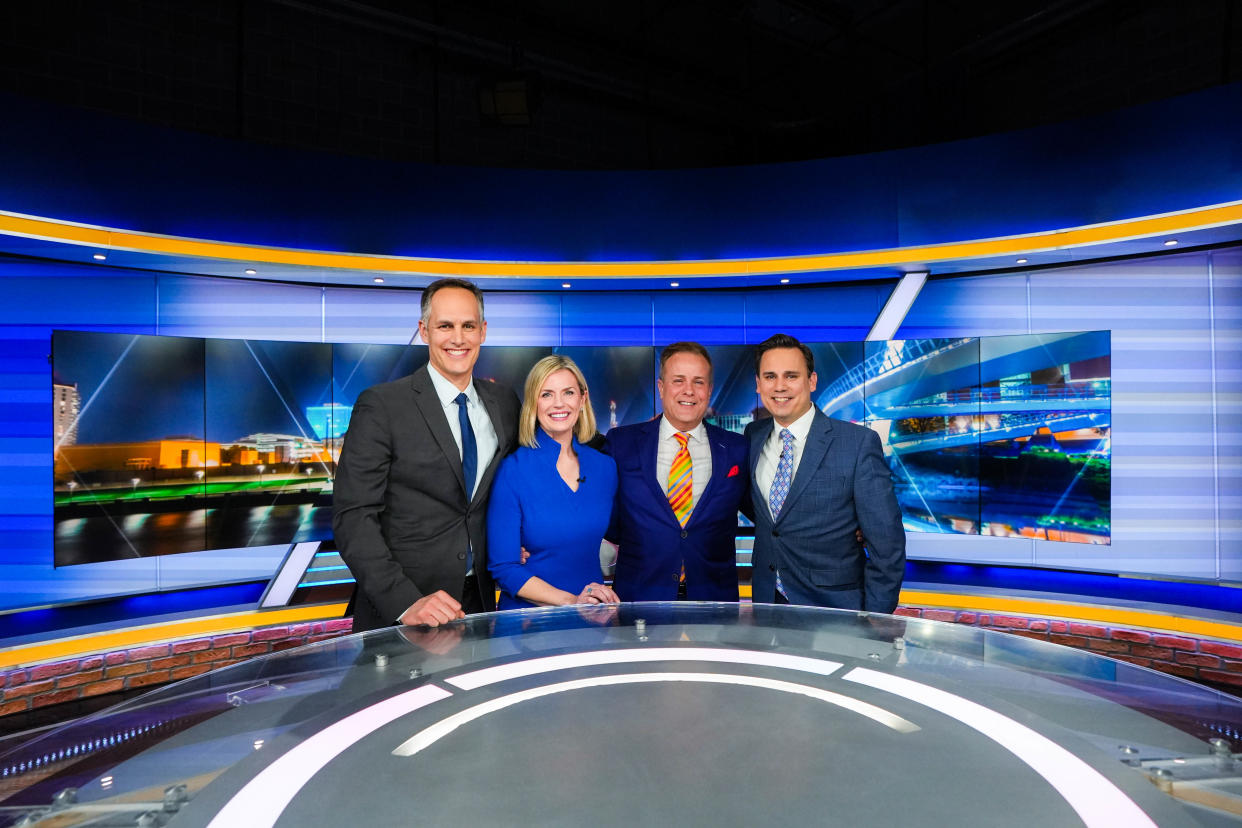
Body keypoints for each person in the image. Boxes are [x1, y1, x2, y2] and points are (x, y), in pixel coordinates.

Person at [332, 278, 520, 631]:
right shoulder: (382, 405)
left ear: (483, 331)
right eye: (445, 326)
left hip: (479, 601)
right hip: (402, 609)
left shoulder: (504, 403)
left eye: (468, 326)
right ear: (424, 331)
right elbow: (353, 517)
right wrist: (405, 602)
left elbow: (522, 480)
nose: (458, 338)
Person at [746, 333, 905, 613]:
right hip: (767, 601)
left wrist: (877, 621)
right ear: (758, 384)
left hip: (836, 609)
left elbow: (887, 545)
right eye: (770, 376)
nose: (779, 386)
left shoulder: (858, 443)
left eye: (791, 376)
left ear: (812, 381)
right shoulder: (752, 436)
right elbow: (768, 514)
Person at [603, 342, 750, 601]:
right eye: (678, 380)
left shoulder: (737, 448)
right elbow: (601, 520)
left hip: (714, 605)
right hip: (639, 602)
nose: (689, 391)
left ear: (710, 390)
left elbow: (764, 514)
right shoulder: (620, 444)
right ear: (661, 387)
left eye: (698, 382)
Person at [487, 355, 620, 609]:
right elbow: (504, 568)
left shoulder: (605, 467)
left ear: (582, 399)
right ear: (533, 403)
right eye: (546, 394)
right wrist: (573, 602)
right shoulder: (512, 470)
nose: (558, 403)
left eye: (568, 392)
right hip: (528, 625)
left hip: (591, 620)